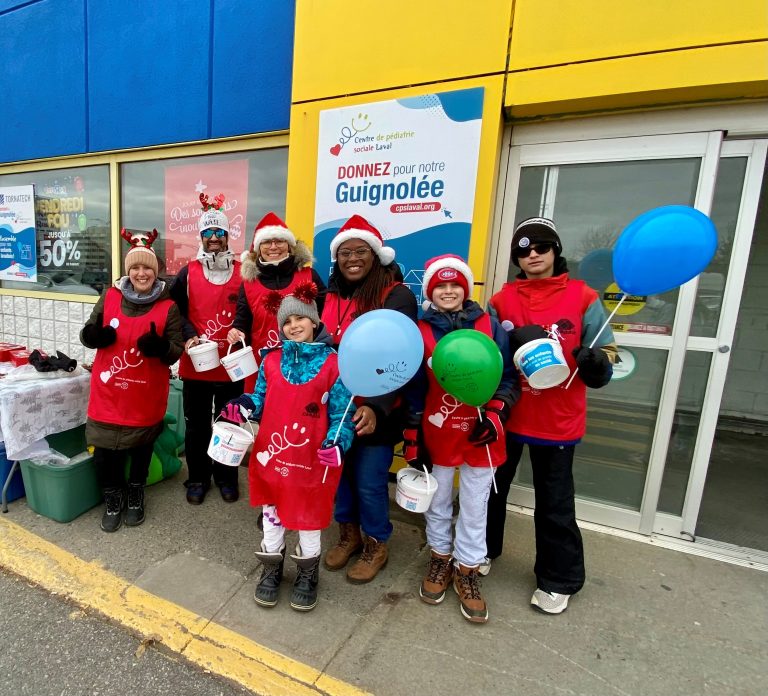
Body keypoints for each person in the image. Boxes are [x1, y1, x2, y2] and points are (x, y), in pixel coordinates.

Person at [485, 217, 617, 615]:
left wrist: (598, 366)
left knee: (555, 502)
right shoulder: (501, 300)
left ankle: (559, 578)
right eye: (523, 250)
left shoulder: (583, 297)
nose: (532, 255)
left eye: (541, 247)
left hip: (558, 418)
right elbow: (489, 354)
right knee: (490, 492)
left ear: (555, 250)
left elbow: (609, 353)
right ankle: (482, 550)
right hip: (508, 414)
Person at [221, 284, 354, 611]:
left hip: (312, 461)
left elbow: (342, 413)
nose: (293, 326)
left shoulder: (335, 364)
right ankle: (272, 567)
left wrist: (338, 442)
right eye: (287, 321)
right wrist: (242, 405)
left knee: (308, 520)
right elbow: (260, 399)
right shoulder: (270, 360)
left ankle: (308, 573)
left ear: (314, 322)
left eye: (300, 319)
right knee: (273, 516)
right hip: (273, 455)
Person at [404, 254, 518, 623]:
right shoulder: (420, 331)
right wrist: (414, 433)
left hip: (481, 431)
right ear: (431, 292)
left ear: (466, 289)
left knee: (475, 503)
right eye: (440, 286)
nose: (448, 291)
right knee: (437, 501)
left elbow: (507, 377)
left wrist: (499, 413)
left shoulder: (491, 326)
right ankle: (439, 558)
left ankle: (467, 568)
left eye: (455, 285)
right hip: (438, 431)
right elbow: (413, 387)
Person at [320, 214, 418, 583]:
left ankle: (377, 542)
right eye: (345, 252)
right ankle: (349, 535)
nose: (352, 258)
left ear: (376, 256)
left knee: (369, 481)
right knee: (339, 475)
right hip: (336, 408)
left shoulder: (397, 295)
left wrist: (376, 406)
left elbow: (401, 357)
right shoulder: (328, 296)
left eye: (361, 251)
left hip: (379, 407)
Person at [80, 228, 184, 533]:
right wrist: (93, 336)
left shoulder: (169, 307)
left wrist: (161, 348)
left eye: (147, 268)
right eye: (136, 267)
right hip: (109, 392)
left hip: (144, 395)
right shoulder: (110, 296)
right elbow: (89, 329)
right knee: (104, 454)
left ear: (156, 272)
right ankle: (113, 497)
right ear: (128, 271)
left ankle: (136, 494)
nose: (141, 273)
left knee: (140, 450)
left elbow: (176, 349)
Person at [170, 193, 244, 505]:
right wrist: (187, 335)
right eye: (208, 233)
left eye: (219, 232)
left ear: (228, 236)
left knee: (229, 423)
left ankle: (226, 477)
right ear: (202, 237)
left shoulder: (243, 271)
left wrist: (241, 327)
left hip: (231, 364)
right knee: (197, 425)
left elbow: (249, 310)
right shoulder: (188, 272)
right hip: (197, 361)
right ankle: (198, 477)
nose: (214, 238)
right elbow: (175, 309)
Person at [228, 212, 326, 393]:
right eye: (266, 242)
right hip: (262, 369)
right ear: (259, 247)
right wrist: (237, 333)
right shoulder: (249, 283)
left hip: (306, 366)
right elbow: (242, 321)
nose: (273, 246)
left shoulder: (308, 275)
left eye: (279, 240)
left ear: (289, 245)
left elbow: (324, 317)